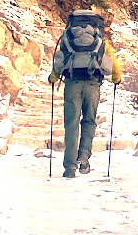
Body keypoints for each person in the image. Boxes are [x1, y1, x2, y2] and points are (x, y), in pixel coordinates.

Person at [47, 10, 122, 178]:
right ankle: (84, 157)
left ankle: (69, 168)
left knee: (71, 124)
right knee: (89, 121)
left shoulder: (68, 39)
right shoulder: (99, 40)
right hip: (93, 85)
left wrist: (53, 77)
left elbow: (59, 61)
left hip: (72, 84)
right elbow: (113, 64)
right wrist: (117, 78)